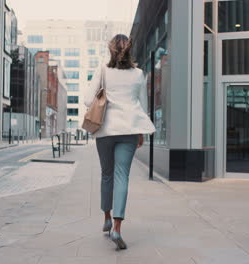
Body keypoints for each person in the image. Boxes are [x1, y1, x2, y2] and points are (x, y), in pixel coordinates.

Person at [83, 34, 156, 250]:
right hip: (130, 129)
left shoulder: (103, 70)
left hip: (105, 129)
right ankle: (117, 228)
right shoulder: (139, 74)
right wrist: (141, 131)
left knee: (106, 175)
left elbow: (88, 100)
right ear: (130, 49)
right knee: (122, 175)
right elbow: (143, 106)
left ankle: (106, 218)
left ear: (111, 49)